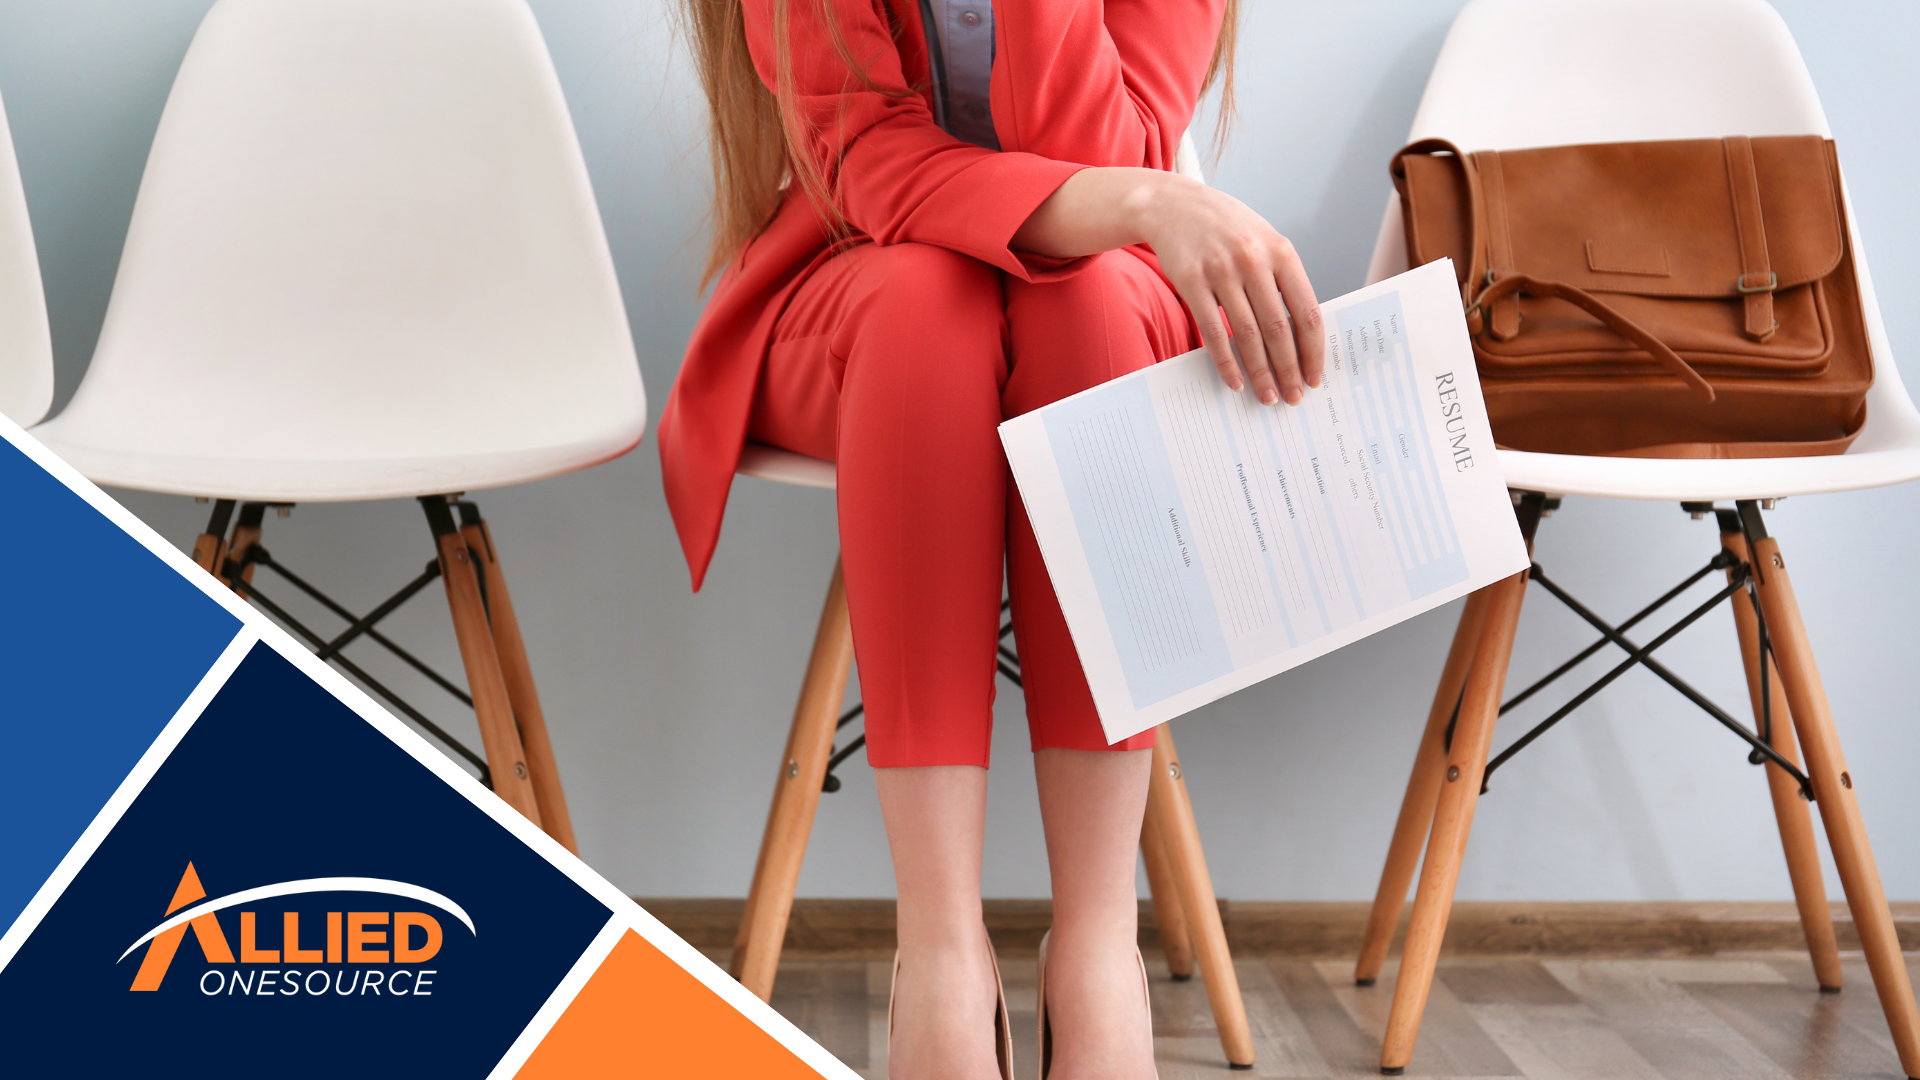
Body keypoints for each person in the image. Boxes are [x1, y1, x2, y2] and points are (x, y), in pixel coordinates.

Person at [662, 1, 1325, 1076]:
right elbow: (874, 171)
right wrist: (1155, 199)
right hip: (859, 287)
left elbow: (1103, 160)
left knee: (1091, 307)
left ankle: (1099, 954)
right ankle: (939, 956)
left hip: (1100, 311)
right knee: (931, 306)